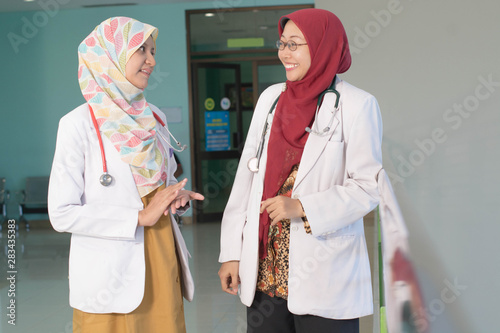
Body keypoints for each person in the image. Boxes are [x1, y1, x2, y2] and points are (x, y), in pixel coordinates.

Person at [218, 8, 383, 333]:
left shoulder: (357, 105)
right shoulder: (271, 99)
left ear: (323, 46)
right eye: (282, 44)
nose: (284, 53)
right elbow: (246, 180)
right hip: (265, 266)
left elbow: (367, 187)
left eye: (295, 44)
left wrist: (303, 207)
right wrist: (231, 253)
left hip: (323, 268)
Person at [48, 17, 203, 333]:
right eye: (141, 50)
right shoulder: (77, 125)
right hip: (108, 271)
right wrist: (139, 217)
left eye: (153, 51)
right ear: (110, 55)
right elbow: (61, 214)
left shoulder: (154, 117)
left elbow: (165, 181)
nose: (152, 60)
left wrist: (176, 196)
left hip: (161, 257)